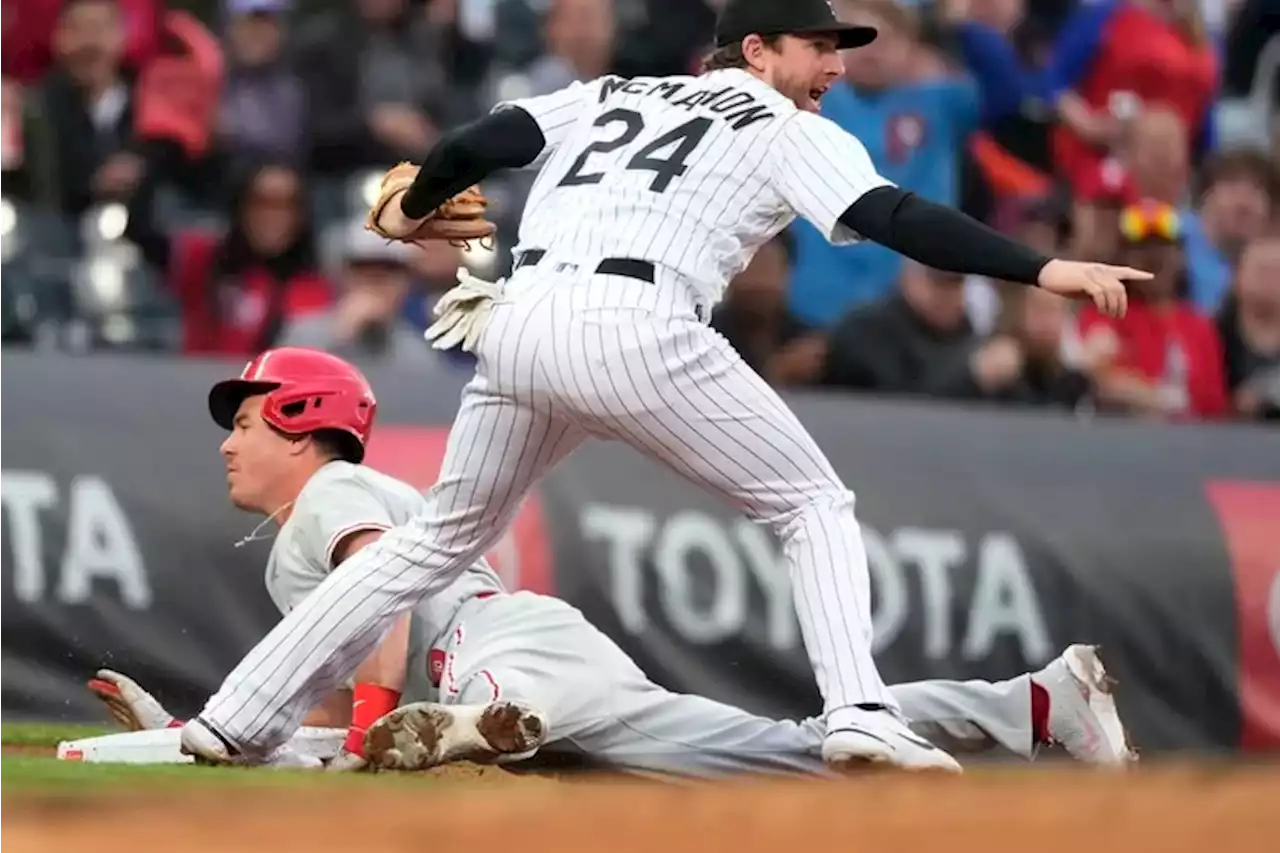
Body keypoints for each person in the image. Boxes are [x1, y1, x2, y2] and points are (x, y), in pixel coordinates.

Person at [181, 0, 1147, 774]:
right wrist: (1039, 270)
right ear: (758, 52)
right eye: (821, 47)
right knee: (813, 502)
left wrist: (421, 200)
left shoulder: (609, 90)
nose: (837, 68)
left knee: (433, 541)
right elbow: (889, 212)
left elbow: (484, 136)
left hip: (520, 322)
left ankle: (233, 719)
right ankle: (859, 714)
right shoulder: (779, 120)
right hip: (638, 324)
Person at [93, 346, 1134, 775]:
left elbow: (384, 599)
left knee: (478, 701)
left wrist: (376, 725)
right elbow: (325, 733)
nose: (228, 438)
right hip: (547, 687)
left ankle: (482, 727)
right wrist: (189, 738)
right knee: (796, 753)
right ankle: (1035, 705)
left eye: (245, 417)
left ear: (299, 422)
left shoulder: (332, 492)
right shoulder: (301, 534)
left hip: (497, 648)